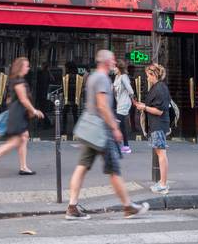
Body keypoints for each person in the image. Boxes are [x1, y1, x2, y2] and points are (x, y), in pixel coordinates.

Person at [64, 49, 149, 220]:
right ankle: (128, 206)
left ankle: (72, 206)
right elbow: (102, 106)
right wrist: (115, 128)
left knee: (82, 167)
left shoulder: (93, 77)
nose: (114, 63)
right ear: (105, 61)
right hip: (102, 130)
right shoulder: (102, 78)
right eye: (112, 60)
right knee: (113, 170)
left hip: (90, 130)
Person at [0, 56, 45, 176]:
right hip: (17, 115)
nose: (28, 68)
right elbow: (23, 99)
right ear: (21, 67)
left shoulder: (17, 80)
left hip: (18, 114)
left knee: (23, 138)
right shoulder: (19, 82)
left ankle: (23, 167)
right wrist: (34, 110)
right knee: (15, 141)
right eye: (27, 66)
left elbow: (10, 100)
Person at [135, 63, 173, 193]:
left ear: (154, 75)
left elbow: (159, 111)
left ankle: (163, 184)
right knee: (160, 153)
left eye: (148, 76)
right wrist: (143, 106)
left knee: (161, 153)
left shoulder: (159, 89)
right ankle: (162, 183)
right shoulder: (159, 87)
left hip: (158, 124)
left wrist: (144, 107)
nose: (147, 78)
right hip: (157, 124)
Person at [112, 63, 136, 155]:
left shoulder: (124, 77)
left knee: (118, 124)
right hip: (119, 103)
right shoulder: (117, 77)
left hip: (124, 103)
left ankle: (120, 146)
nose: (113, 69)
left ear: (119, 68)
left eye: (115, 67)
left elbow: (130, 90)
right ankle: (125, 146)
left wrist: (133, 99)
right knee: (121, 125)